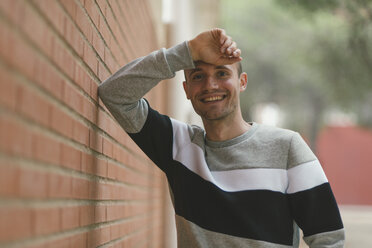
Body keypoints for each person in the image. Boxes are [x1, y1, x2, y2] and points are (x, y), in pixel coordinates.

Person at [98, 28, 345, 248]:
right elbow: (115, 94)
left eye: (221, 73)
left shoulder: (287, 147)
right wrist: (185, 51)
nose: (210, 85)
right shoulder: (179, 146)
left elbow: (328, 238)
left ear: (242, 82)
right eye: (197, 76)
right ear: (186, 90)